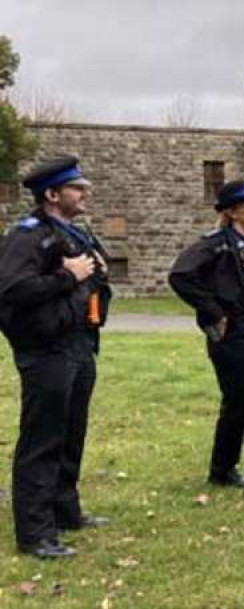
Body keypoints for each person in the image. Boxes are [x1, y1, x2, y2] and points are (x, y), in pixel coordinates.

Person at [0, 155, 112, 559]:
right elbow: (12, 289)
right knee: (42, 438)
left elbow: (90, 279)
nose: (85, 193)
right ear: (51, 194)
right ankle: (35, 533)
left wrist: (93, 270)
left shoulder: (74, 233)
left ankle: (65, 511)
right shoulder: (27, 236)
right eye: (76, 188)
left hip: (78, 344)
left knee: (70, 433)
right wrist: (69, 275)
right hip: (46, 349)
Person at [168, 180, 244, 504]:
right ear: (233, 211)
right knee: (238, 401)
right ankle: (222, 468)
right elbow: (180, 276)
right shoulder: (216, 244)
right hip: (230, 333)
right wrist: (213, 311)